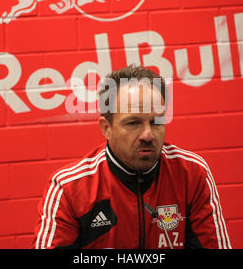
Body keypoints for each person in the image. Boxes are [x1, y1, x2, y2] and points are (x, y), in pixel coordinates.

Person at [32, 65, 231, 249]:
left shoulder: (192, 173)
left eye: (156, 122)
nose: (148, 135)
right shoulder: (69, 188)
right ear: (106, 128)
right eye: (133, 123)